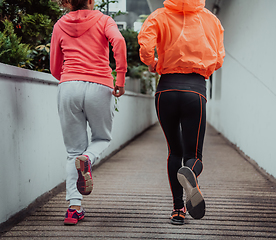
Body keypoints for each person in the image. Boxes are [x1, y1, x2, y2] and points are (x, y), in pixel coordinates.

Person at [138, 0, 225, 225]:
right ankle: (191, 173)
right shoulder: (211, 19)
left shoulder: (159, 15)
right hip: (195, 92)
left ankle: (178, 210)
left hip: (165, 90)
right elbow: (218, 58)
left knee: (174, 152)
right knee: (193, 156)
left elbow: (146, 47)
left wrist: (153, 63)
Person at [50, 0, 127, 225]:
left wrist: (69, 78)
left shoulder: (59, 25)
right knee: (102, 138)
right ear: (91, 1)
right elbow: (119, 41)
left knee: (73, 150)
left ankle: (74, 209)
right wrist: (119, 79)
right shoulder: (104, 20)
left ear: (67, 2)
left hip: (68, 86)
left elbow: (55, 67)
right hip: (99, 87)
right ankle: (88, 158)